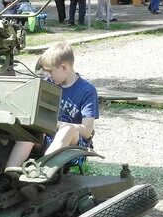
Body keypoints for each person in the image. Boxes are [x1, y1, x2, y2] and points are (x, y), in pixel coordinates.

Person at [5, 41, 98, 171]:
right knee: (29, 131)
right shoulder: (49, 84)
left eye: (51, 71)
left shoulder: (87, 90)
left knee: (67, 129)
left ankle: (42, 173)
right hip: (47, 139)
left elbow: (87, 131)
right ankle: (10, 172)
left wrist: (57, 124)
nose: (48, 75)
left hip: (73, 147)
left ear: (64, 67)